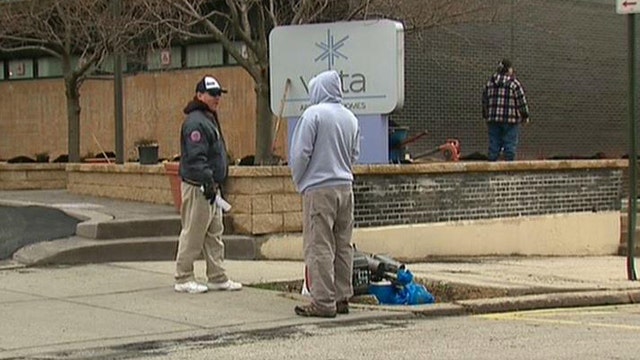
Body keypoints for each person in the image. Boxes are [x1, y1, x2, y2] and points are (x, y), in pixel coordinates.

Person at [289, 70, 361, 317]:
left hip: (319, 188)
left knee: (319, 245)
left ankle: (322, 301)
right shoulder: (351, 118)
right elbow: (354, 155)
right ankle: (342, 297)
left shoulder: (313, 115)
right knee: (343, 244)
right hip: (345, 187)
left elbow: (300, 154)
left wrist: (300, 181)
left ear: (318, 89)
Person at [174, 75, 242, 294]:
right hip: (199, 187)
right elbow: (196, 158)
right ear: (199, 95)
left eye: (219, 94)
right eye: (213, 94)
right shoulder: (196, 122)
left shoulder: (207, 118)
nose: (217, 98)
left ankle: (217, 276)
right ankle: (183, 277)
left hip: (210, 187)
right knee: (193, 233)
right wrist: (207, 182)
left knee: (214, 234)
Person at [482, 58, 530, 161]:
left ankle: (491, 167)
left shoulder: (489, 84)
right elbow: (521, 101)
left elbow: (485, 101)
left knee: (494, 145)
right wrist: (525, 116)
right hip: (510, 120)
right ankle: (508, 169)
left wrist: (486, 115)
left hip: (493, 119)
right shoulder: (514, 84)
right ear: (508, 70)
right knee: (510, 145)